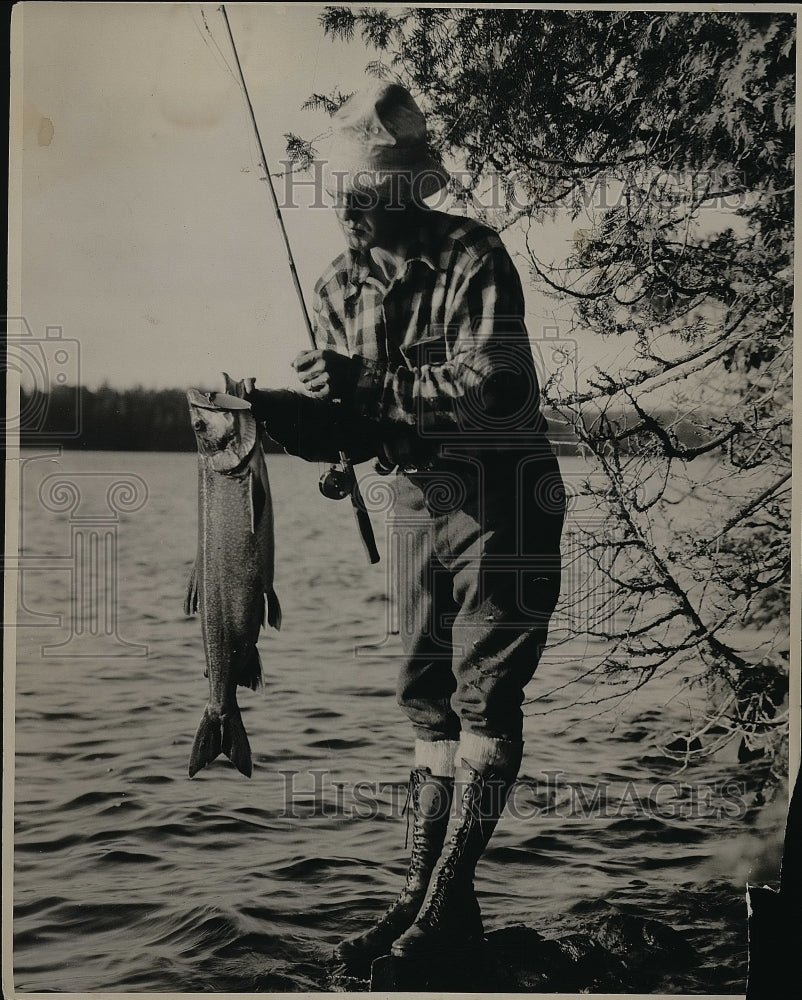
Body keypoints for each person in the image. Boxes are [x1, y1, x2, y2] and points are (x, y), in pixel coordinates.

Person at [246, 81, 566, 965]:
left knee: (485, 697)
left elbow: (495, 390)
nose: (349, 211)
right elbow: (356, 430)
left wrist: (363, 386)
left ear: (404, 191)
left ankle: (447, 904)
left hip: (505, 496)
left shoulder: (473, 254)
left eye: (363, 195)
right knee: (425, 699)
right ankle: (419, 900)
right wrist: (290, 413)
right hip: (417, 498)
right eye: (341, 195)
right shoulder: (336, 286)